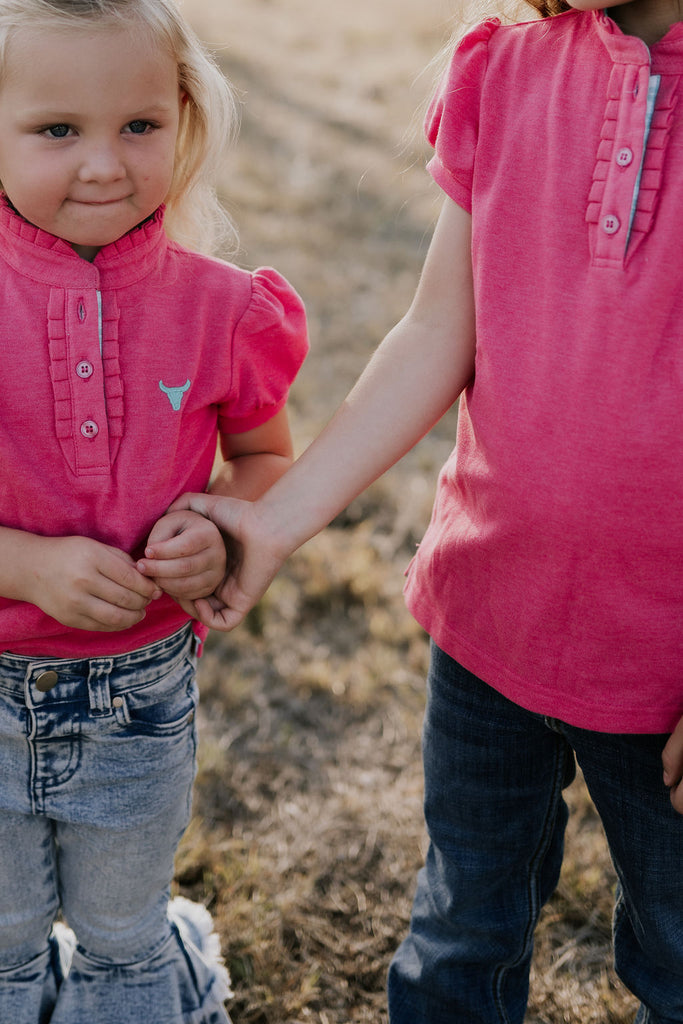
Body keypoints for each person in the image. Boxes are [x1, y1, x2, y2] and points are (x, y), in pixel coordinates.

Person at [164, 0, 683, 1020]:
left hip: (663, 669)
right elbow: (435, 330)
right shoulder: (503, 66)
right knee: (457, 937)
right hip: (489, 617)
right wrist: (275, 519)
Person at [0, 1, 308, 1021]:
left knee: (122, 935)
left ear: (185, 117)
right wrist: (24, 565)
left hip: (138, 693)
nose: (104, 166)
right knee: (1, 940)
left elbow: (267, 456)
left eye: (138, 125)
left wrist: (221, 521)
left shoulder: (225, 306)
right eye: (57, 130)